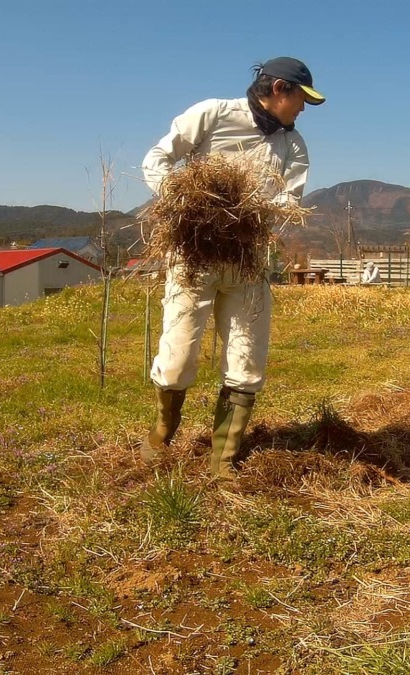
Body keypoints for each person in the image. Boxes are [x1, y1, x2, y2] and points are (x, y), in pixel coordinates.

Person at [139, 57, 325, 480]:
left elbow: (287, 202)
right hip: (194, 254)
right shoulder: (213, 114)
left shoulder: (293, 146)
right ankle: (163, 430)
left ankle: (223, 459)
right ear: (279, 88)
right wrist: (191, 201)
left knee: (246, 357)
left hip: (248, 259)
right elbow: (157, 159)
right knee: (178, 355)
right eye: (301, 99)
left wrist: (249, 212)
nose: (303, 109)